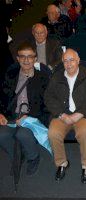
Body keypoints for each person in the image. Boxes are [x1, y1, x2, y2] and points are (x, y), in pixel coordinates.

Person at [44, 48, 86, 183]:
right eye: (65, 61)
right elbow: (48, 98)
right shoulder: (57, 77)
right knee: (53, 133)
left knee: (84, 133)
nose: (69, 64)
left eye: (72, 60)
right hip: (62, 115)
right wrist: (62, 115)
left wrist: (79, 114)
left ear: (78, 61)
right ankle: (62, 163)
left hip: (83, 115)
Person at [0, 42, 49, 176]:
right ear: (18, 58)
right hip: (12, 115)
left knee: (23, 134)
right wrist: (1, 114)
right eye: (22, 56)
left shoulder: (43, 78)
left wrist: (29, 117)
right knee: (2, 134)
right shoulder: (10, 76)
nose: (26, 60)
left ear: (35, 59)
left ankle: (33, 157)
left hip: (33, 118)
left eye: (30, 56)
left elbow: (48, 106)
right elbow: (2, 98)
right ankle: (18, 155)